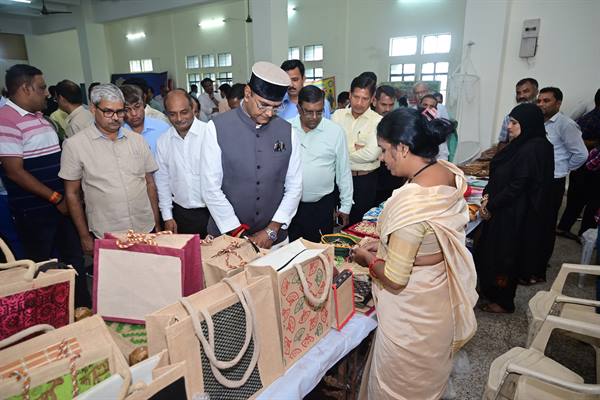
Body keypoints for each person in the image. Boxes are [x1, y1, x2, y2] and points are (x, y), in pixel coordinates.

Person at [350, 107, 477, 399]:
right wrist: (388, 247)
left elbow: (394, 278)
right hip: (438, 302)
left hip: (411, 318)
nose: (381, 159)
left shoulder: (412, 204)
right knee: (426, 384)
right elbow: (436, 246)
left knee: (399, 388)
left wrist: (369, 259)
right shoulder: (446, 173)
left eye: (384, 150)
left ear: (403, 148)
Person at [0, 64, 90, 306]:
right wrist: (55, 197)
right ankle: (55, 318)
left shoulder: (42, 119)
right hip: (36, 212)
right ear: (25, 89)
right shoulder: (6, 120)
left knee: (74, 262)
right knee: (45, 268)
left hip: (61, 206)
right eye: (41, 88)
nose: (47, 93)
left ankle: (83, 311)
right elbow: (14, 172)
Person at [200, 61, 302, 248]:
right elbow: (210, 188)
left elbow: (295, 186)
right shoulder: (216, 128)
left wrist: (271, 230)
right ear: (247, 93)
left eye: (276, 107)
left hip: (274, 240)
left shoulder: (288, 131)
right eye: (263, 105)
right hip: (227, 239)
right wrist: (237, 232)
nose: (270, 113)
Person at [59, 83, 160, 255]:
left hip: (144, 227)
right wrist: (84, 236)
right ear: (92, 109)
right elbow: (72, 194)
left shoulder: (137, 141)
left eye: (120, 111)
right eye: (108, 112)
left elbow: (150, 183)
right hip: (107, 233)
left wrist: (156, 224)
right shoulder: (75, 145)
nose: (116, 117)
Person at [476, 103, 555, 310]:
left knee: (505, 257)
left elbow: (519, 185)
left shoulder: (535, 147)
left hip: (514, 214)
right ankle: (490, 292)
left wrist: (490, 204)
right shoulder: (522, 144)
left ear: (528, 123)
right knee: (491, 252)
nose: (509, 126)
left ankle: (503, 301)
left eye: (514, 122)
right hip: (504, 208)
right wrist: (488, 195)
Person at [288, 85, 352, 242]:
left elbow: (343, 171)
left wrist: (345, 206)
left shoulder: (335, 131)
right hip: (290, 205)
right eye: (309, 112)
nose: (315, 117)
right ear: (298, 108)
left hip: (322, 206)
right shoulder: (286, 128)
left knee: (319, 252)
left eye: (319, 111)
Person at [537, 87, 587, 267]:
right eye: (540, 100)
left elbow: (581, 154)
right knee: (536, 221)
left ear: (558, 103)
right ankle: (532, 258)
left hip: (554, 181)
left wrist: (563, 169)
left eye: (546, 100)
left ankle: (541, 263)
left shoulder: (566, 124)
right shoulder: (539, 122)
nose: (541, 104)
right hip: (539, 180)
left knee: (547, 222)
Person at [155, 89, 210, 236]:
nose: (179, 118)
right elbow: (162, 181)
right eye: (172, 114)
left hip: (212, 213)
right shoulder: (163, 141)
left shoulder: (210, 133)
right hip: (181, 214)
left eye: (184, 112)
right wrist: (167, 216)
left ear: (193, 109)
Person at [332, 74, 382, 224]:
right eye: (356, 97)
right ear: (349, 95)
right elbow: (331, 147)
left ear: (372, 99)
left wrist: (342, 151)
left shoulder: (378, 121)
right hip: (339, 178)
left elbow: (372, 154)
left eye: (365, 98)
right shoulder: (337, 116)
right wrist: (356, 148)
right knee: (336, 223)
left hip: (364, 181)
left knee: (359, 225)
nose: (359, 103)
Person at [557, 88, 600, 239]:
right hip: (592, 168)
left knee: (575, 200)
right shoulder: (595, 119)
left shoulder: (585, 117)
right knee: (593, 202)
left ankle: (563, 227)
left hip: (580, 166)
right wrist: (594, 143)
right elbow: (578, 141)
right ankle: (584, 233)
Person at [373, 86, 405, 205]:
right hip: (372, 180)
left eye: (391, 105)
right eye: (384, 104)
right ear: (374, 101)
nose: (387, 109)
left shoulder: (398, 122)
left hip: (394, 180)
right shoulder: (368, 121)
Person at [121, 84, 169, 154]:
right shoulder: (118, 133)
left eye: (137, 106)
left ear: (144, 103)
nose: (134, 113)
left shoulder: (163, 128)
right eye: (127, 109)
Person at [497, 78, 539, 143]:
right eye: (518, 93)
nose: (521, 96)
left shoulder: (543, 116)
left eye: (526, 91)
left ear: (536, 92)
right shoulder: (509, 118)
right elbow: (503, 142)